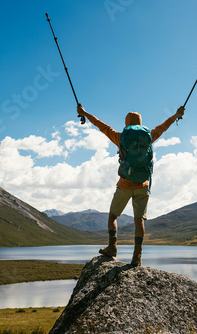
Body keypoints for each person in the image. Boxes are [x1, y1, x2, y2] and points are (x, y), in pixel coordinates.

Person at [77, 104, 185, 266]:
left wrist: (84, 113)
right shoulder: (150, 136)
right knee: (139, 220)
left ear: (127, 124)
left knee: (113, 216)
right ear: (140, 124)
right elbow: (163, 127)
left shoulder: (120, 138)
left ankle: (112, 247)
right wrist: (176, 115)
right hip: (143, 185)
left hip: (125, 184)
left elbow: (101, 125)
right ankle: (137, 257)